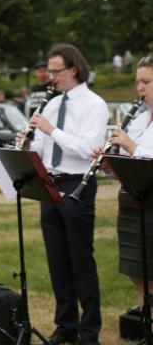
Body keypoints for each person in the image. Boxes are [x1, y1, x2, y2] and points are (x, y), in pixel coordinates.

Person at [16, 43, 108, 345]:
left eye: (55, 71)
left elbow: (86, 149)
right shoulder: (51, 104)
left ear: (73, 69)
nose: (50, 77)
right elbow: (43, 150)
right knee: (57, 259)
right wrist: (28, 143)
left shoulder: (94, 104)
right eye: (48, 71)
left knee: (80, 259)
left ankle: (89, 330)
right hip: (50, 183)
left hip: (77, 184)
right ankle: (65, 325)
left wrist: (51, 130)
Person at [96, 55, 153, 318]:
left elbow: (142, 156)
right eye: (137, 82)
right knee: (135, 269)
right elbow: (128, 162)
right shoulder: (139, 120)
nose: (139, 88)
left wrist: (131, 146)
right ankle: (145, 317)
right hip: (131, 201)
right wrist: (109, 161)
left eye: (146, 82)